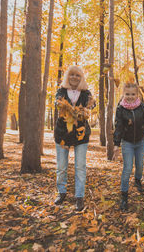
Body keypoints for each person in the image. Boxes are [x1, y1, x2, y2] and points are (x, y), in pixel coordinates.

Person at [113, 82, 144, 211]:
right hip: (127, 143)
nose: (130, 96)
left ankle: (138, 180)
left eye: (133, 94)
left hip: (140, 142)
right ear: (124, 94)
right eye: (127, 94)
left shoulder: (141, 107)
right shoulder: (120, 108)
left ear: (137, 94)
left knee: (140, 165)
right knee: (127, 168)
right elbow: (118, 127)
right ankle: (124, 196)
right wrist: (116, 144)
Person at [54, 65, 95, 212]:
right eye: (71, 74)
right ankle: (62, 192)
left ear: (81, 78)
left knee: (80, 166)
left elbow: (92, 104)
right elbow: (57, 102)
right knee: (61, 167)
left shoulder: (86, 93)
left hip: (80, 135)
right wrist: (61, 104)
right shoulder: (61, 91)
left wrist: (89, 106)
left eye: (78, 75)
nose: (74, 77)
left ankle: (79, 197)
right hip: (62, 134)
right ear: (67, 76)